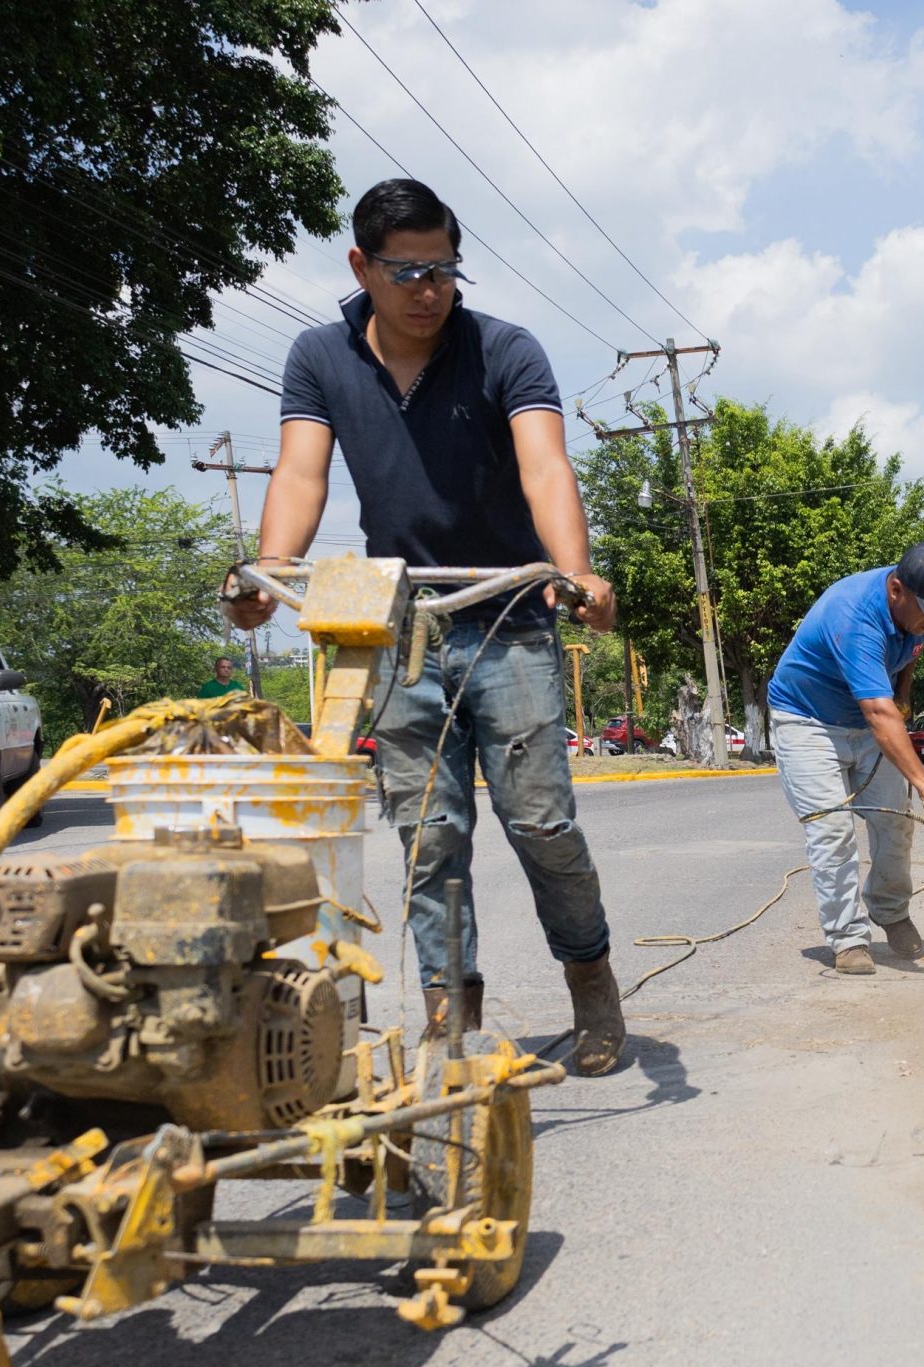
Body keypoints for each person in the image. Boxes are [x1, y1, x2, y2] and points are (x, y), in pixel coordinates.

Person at [222, 178, 625, 1074]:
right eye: (407, 273)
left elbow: (545, 467)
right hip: (396, 628)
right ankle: (450, 1016)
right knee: (429, 837)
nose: (429, 290)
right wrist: (268, 569)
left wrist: (577, 571)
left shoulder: (505, 350)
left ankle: (592, 983)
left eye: (444, 270)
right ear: (361, 267)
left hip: (508, 616)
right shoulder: (320, 356)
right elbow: (300, 474)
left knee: (543, 825)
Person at [767, 542, 924, 975]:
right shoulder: (855, 616)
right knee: (832, 831)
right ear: (896, 590)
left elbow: (911, 651)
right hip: (807, 722)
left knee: (895, 820)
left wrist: (903, 693)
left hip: (867, 721)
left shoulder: (914, 607)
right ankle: (848, 939)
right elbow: (878, 713)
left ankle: (890, 910)